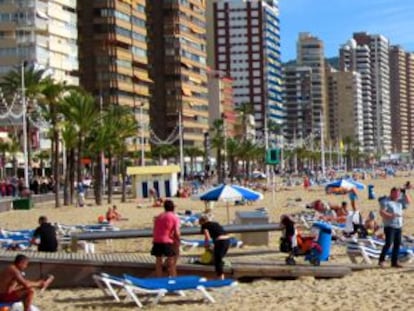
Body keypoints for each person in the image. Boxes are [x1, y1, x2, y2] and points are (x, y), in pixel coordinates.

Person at [378, 187, 410, 268]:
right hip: (389, 226)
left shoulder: (399, 201)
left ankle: (394, 262)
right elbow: (382, 212)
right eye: (395, 193)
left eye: (398, 193)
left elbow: (408, 202)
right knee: (388, 243)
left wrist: (405, 193)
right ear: (391, 193)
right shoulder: (385, 201)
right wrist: (391, 215)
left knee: (397, 244)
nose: (397, 195)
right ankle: (381, 260)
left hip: (398, 226)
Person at [151, 199, 181, 277]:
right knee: (171, 261)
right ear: (173, 208)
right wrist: (178, 240)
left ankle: (159, 279)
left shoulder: (159, 216)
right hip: (166, 240)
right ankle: (173, 279)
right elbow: (177, 232)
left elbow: (155, 230)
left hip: (157, 240)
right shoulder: (174, 217)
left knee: (158, 261)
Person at [199, 214, 231, 280]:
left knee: (217, 260)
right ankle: (220, 275)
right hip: (227, 240)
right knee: (219, 258)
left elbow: (207, 235)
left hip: (220, 241)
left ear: (201, 221)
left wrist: (207, 244)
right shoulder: (215, 223)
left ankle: (220, 277)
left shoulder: (204, 226)